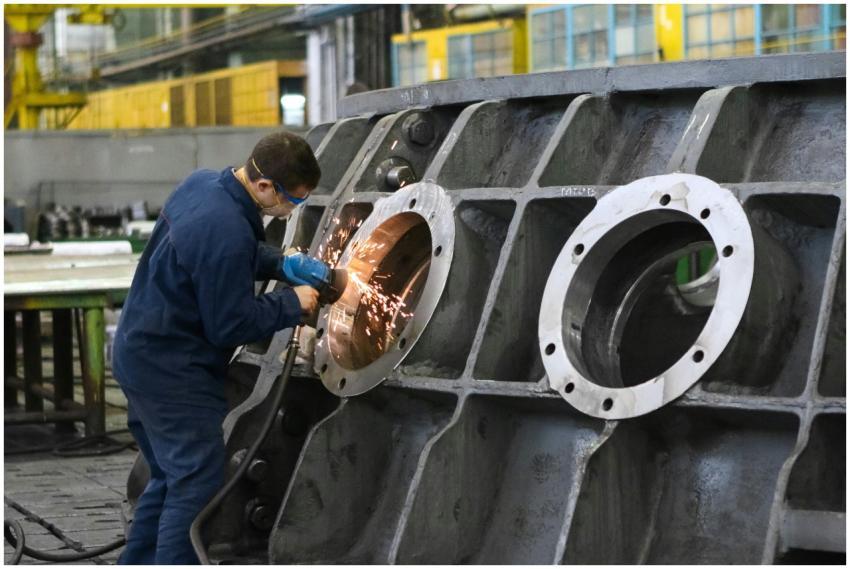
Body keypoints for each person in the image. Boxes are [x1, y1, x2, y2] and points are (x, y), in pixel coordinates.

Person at [112, 131, 321, 564]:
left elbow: (224, 253)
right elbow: (230, 324)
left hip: (140, 352)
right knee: (195, 483)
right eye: (292, 201)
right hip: (172, 371)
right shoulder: (224, 228)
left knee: (168, 477)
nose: (291, 209)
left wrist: (282, 263)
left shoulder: (204, 184)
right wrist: (290, 302)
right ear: (266, 187)